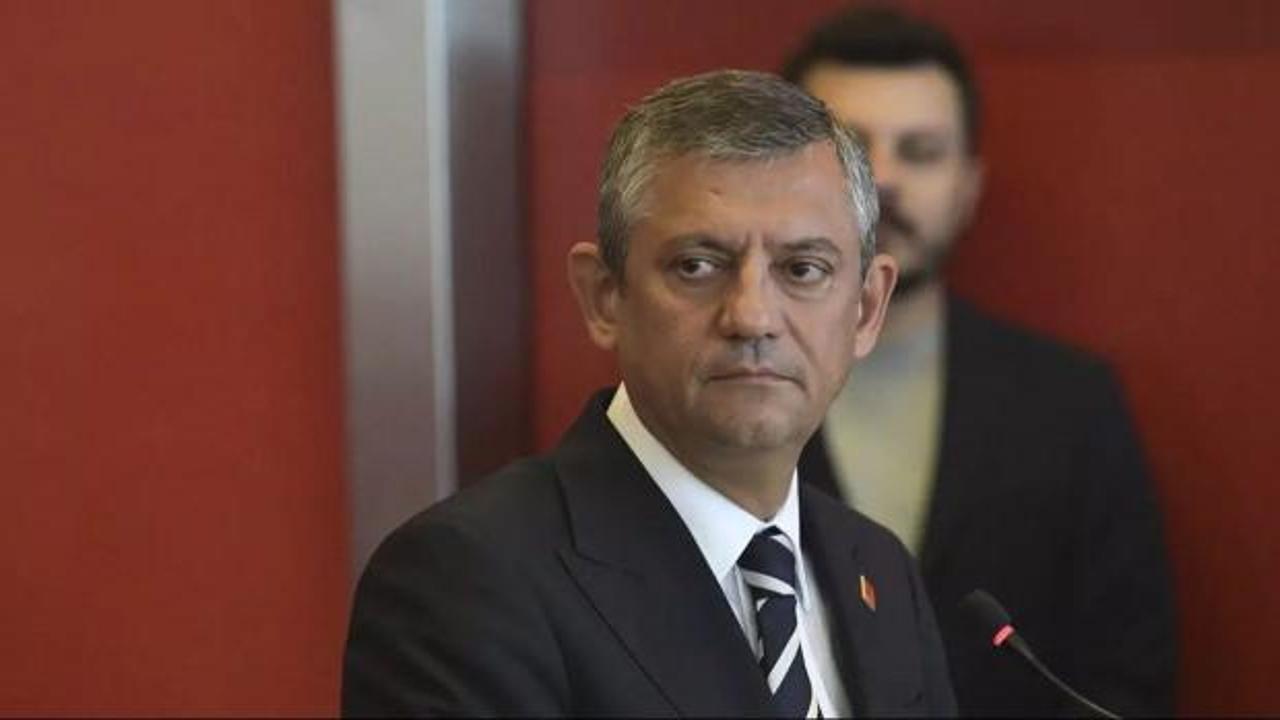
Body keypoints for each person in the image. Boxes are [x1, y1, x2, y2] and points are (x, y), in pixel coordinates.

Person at [342, 70, 957, 717]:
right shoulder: (468, 577)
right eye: (697, 265)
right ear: (603, 296)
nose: (752, 317)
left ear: (866, 308)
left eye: (802, 269)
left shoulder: (879, 570)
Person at [781, 7, 1177, 717]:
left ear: (968, 186)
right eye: (853, 150)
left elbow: (1129, 679)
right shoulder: (715, 392)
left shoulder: (1072, 405)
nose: (885, 180)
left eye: (921, 151)